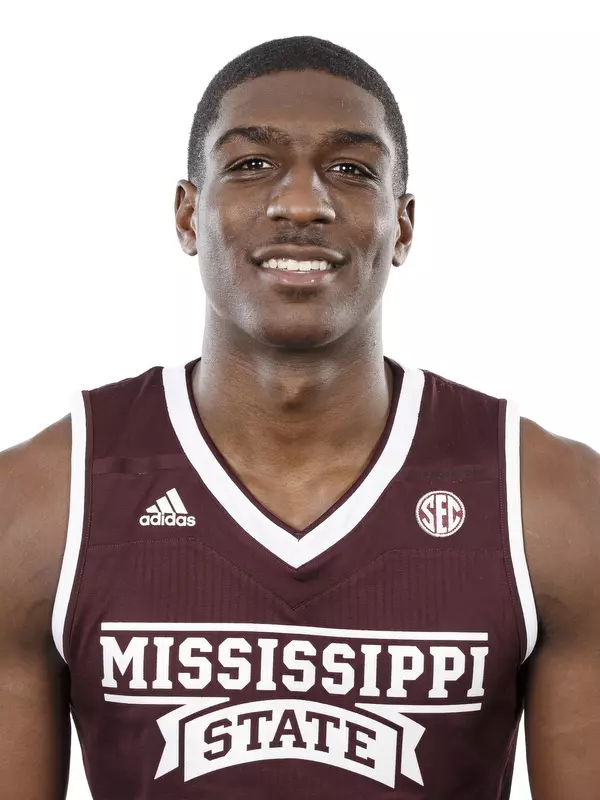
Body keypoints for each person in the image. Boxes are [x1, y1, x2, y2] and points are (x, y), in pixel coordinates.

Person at [1, 34, 598, 800]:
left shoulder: (551, 505)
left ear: (403, 225)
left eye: (351, 171)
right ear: (188, 215)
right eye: (252, 165)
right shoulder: (39, 507)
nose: (303, 202)